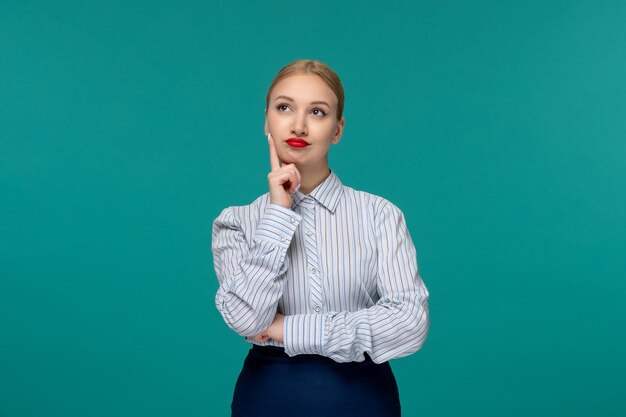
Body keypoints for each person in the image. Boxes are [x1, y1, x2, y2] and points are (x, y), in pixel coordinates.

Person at [211, 59, 430, 417]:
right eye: (284, 108)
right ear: (266, 120)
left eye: (317, 112)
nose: (298, 125)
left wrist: (286, 328)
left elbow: (409, 324)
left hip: (363, 400)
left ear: (337, 129)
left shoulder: (379, 215)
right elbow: (247, 320)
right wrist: (279, 215)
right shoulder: (235, 222)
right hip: (267, 400)